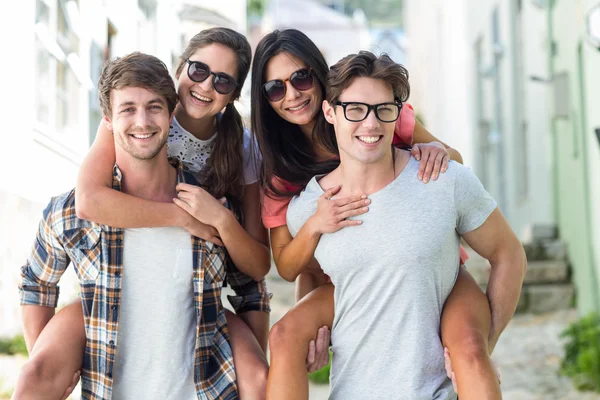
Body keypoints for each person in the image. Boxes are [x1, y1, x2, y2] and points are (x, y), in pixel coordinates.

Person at [13, 29, 270, 400]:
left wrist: (219, 220)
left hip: (197, 314)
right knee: (33, 376)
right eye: (198, 70)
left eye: (223, 80)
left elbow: (253, 277)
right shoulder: (77, 207)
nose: (143, 121)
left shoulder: (229, 170)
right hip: (108, 314)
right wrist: (54, 359)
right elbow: (87, 202)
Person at [266, 51, 527, 399]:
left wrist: (484, 345)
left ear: (397, 113)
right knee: (282, 334)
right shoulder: (306, 206)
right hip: (352, 384)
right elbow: (302, 270)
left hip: (441, 286)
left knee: (471, 352)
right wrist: (311, 337)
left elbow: (509, 253)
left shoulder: (442, 177)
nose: (371, 124)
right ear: (330, 112)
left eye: (383, 110)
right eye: (355, 109)